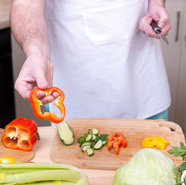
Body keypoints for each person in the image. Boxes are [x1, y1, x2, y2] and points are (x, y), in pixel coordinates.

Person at [11, 0, 171, 121]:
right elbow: (27, 3)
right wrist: (36, 53)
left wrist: (156, 3)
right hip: (80, 93)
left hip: (145, 82)